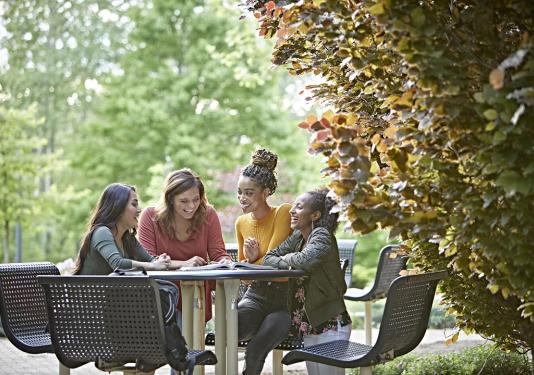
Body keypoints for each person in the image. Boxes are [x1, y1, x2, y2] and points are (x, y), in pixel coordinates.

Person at [263, 188, 352, 375]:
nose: (292, 211)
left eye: (299, 207)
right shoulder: (297, 237)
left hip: (330, 321)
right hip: (310, 323)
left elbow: (305, 260)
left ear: (315, 215)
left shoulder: (322, 236)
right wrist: (289, 258)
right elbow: (269, 257)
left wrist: (288, 259)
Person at [138, 168, 231, 324]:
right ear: (170, 199)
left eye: (196, 199)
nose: (192, 206)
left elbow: (218, 253)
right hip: (160, 300)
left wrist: (224, 261)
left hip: (196, 297)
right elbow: (148, 262)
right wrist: (185, 264)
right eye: (184, 201)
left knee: (190, 342)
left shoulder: (208, 214)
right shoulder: (150, 217)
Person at [235, 148, 293, 375]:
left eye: (249, 193)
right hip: (255, 296)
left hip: (283, 301)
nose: (242, 198)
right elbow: (244, 276)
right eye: (239, 192)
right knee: (229, 328)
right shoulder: (241, 223)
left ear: (266, 192)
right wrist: (250, 261)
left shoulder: (283, 213)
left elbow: (275, 265)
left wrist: (252, 260)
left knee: (255, 350)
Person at [73, 183, 171, 275]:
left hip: (111, 292)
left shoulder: (128, 238)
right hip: (91, 293)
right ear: (118, 207)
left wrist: (161, 261)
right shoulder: (102, 232)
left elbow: (150, 260)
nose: (139, 210)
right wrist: (153, 266)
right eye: (134, 204)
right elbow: (117, 264)